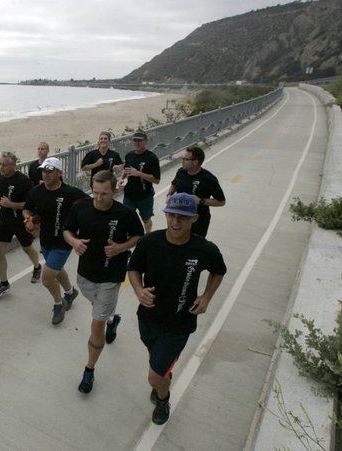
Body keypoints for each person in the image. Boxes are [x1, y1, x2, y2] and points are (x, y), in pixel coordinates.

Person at [128, 193, 226, 424]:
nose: (176, 222)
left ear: (194, 218)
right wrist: (139, 290)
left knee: (154, 377)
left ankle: (163, 399)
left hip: (178, 324)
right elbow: (133, 269)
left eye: (183, 217)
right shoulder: (149, 242)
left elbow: (219, 271)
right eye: (172, 215)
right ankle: (163, 371)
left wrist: (207, 297)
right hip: (148, 319)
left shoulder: (204, 249)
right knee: (157, 359)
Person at [63, 170, 144, 394]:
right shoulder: (80, 206)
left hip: (111, 276)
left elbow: (140, 235)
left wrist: (120, 248)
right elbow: (67, 230)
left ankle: (89, 370)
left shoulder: (126, 213)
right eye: (95, 193)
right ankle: (112, 319)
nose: (98, 199)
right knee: (100, 309)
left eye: (104, 194)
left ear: (115, 190)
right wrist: (74, 242)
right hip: (85, 276)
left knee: (95, 322)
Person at [23, 157, 88, 325]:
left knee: (47, 278)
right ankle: (70, 292)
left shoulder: (71, 193)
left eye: (50, 171)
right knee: (57, 271)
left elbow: (90, 205)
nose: (45, 174)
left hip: (64, 242)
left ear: (59, 173)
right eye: (44, 171)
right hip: (45, 241)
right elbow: (26, 209)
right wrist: (29, 220)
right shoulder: (36, 191)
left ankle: (59, 304)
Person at [0, 152, 42, 299]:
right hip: (4, 220)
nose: (1, 167)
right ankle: (4, 283)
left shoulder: (23, 181)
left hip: (21, 221)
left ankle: (37, 266)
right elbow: (0, 195)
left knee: (27, 248)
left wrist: (11, 204)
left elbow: (30, 204)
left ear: (13, 166)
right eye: (0, 164)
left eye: (4, 165)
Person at [167, 145, 226, 238]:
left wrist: (201, 201)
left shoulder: (208, 178)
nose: (182, 161)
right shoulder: (181, 172)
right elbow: (174, 184)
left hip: (198, 221)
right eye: (182, 158)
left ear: (195, 162)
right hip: (179, 216)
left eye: (185, 159)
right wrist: (169, 195)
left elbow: (221, 202)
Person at [121, 129, 161, 233]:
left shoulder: (152, 158)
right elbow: (126, 171)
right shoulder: (129, 155)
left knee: (146, 220)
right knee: (126, 218)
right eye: (135, 140)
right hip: (129, 195)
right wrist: (121, 180)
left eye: (140, 140)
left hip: (145, 196)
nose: (137, 143)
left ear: (146, 141)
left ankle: (148, 237)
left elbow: (156, 180)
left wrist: (139, 174)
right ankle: (130, 238)